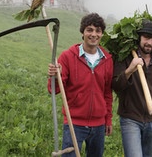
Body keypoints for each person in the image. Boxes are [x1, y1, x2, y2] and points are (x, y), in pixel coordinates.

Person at [47, 13, 113, 157]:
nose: (93, 34)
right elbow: (54, 89)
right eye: (89, 30)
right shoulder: (67, 56)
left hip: (98, 125)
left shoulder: (107, 59)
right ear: (82, 32)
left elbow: (107, 93)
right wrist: (54, 76)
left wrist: (108, 119)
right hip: (73, 123)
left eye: (98, 31)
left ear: (102, 34)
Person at [111, 20, 152, 157]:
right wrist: (130, 69)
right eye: (146, 38)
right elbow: (116, 86)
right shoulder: (125, 57)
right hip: (130, 119)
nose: (150, 42)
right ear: (139, 37)